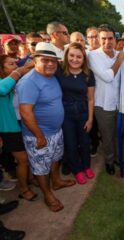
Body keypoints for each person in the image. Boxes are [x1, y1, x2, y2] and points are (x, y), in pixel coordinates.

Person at [16, 42, 76, 212]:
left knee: (55, 158)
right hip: (39, 135)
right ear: (35, 60)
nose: (50, 64)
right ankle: (47, 193)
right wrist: (39, 135)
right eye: (45, 60)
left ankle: (56, 181)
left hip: (56, 131)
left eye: (53, 61)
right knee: (40, 167)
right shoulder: (29, 82)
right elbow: (25, 112)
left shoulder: (51, 76)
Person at [56, 42, 95, 184]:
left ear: (84, 59)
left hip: (83, 112)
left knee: (85, 142)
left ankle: (86, 166)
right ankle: (77, 170)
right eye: (71, 55)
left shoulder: (88, 74)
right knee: (70, 144)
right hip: (66, 114)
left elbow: (91, 99)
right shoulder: (59, 70)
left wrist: (90, 119)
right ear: (67, 56)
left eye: (79, 57)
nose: (75, 59)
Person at [88, 26, 124, 175]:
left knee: (118, 133)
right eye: (103, 38)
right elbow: (108, 77)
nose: (107, 42)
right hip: (103, 105)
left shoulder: (119, 54)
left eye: (110, 38)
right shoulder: (93, 56)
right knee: (107, 136)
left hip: (121, 103)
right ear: (98, 39)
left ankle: (117, 157)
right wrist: (119, 60)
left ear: (115, 39)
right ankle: (109, 161)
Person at [0, 55, 38, 201]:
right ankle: (23, 189)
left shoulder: (16, 81)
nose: (15, 66)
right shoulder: (5, 82)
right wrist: (19, 71)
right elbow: (2, 89)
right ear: (2, 69)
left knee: (28, 155)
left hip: (22, 123)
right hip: (9, 128)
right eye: (10, 64)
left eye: (15, 63)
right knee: (23, 159)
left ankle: (29, 179)